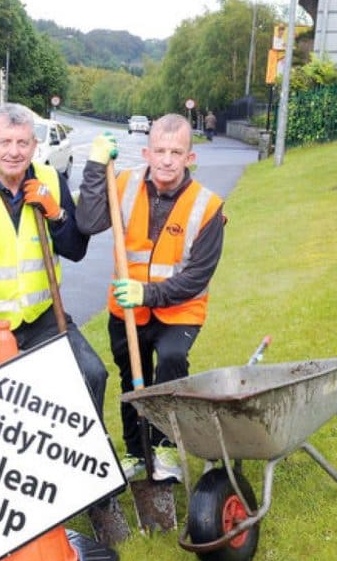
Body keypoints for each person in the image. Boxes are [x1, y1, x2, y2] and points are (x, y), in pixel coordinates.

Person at [0, 102, 116, 542]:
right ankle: (20, 510)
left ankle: (89, 491)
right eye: (5, 143)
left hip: (41, 319)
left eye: (22, 143)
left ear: (35, 145)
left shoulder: (51, 180)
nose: (14, 152)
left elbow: (74, 249)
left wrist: (56, 214)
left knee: (91, 374)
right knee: (6, 420)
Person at [76, 113, 225, 484]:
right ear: (146, 152)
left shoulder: (207, 206)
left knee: (171, 363)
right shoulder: (122, 184)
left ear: (190, 157)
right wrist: (96, 166)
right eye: (160, 150)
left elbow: (196, 277)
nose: (167, 160)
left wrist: (148, 293)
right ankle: (135, 452)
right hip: (127, 309)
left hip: (180, 310)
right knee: (131, 376)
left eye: (176, 152)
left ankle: (166, 446)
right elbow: (88, 222)